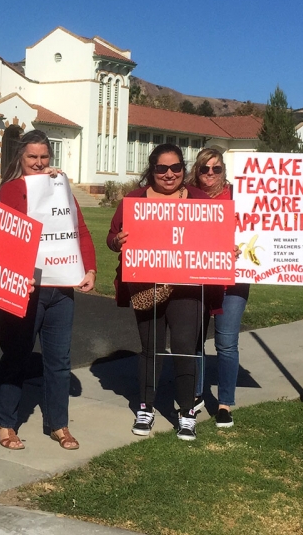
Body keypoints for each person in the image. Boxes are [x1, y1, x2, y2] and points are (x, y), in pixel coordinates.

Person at [187, 148, 303, 428]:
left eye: (216, 168)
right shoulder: (187, 196)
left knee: (226, 343)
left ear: (223, 169)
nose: (210, 174)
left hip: (234, 280)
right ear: (197, 171)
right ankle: (196, 394)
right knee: (194, 341)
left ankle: (225, 403)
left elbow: (280, 213)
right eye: (205, 169)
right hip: (198, 277)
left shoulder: (243, 194)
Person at [0, 130, 97, 451]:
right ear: (20, 159)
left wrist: (90, 267)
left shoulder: (61, 187)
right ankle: (5, 424)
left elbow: (78, 228)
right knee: (16, 356)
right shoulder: (8, 190)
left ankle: (58, 424)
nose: (38, 163)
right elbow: (2, 236)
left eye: (43, 157)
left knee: (59, 359)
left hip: (60, 288)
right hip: (24, 289)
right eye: (32, 157)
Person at [107, 143, 214, 441]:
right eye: (162, 168)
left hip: (187, 288)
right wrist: (118, 240)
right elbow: (112, 237)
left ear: (183, 168)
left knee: (183, 348)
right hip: (146, 286)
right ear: (151, 170)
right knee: (150, 348)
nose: (169, 174)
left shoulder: (199, 199)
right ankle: (146, 407)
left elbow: (216, 234)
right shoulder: (134, 200)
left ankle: (187, 412)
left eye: (176, 167)